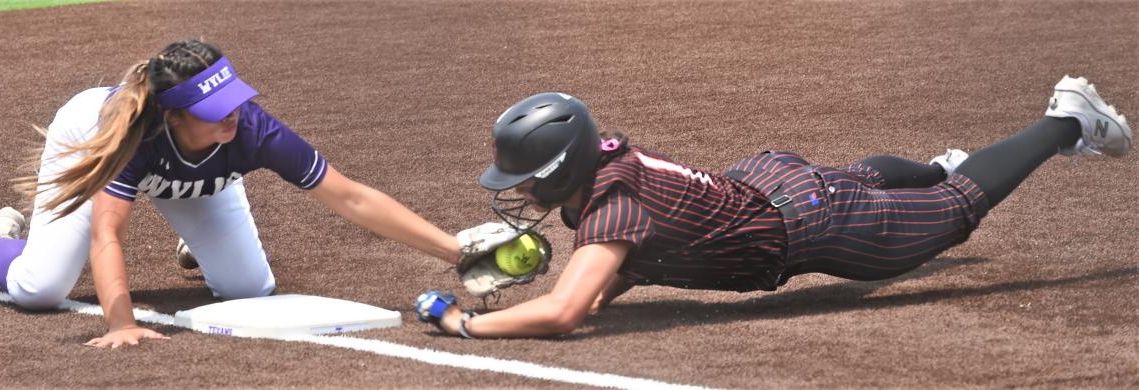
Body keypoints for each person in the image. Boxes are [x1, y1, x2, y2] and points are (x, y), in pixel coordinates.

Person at [414, 76, 1132, 338]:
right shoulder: (607, 171)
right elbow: (606, 282)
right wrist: (584, 286)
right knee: (859, 177)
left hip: (813, 225)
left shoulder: (609, 206)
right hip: (769, 180)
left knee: (957, 207)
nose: (520, 192)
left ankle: (1068, 119)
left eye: (527, 178)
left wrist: (470, 324)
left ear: (562, 168)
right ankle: (927, 168)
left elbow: (568, 314)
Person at [0, 39, 518, 348]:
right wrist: (119, 322)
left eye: (235, 104)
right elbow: (107, 232)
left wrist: (454, 250)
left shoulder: (250, 127)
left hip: (191, 178)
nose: (232, 119)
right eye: (215, 113)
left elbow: (351, 197)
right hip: (90, 139)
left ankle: (199, 238)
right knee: (40, 289)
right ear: (173, 117)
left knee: (249, 289)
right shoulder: (132, 136)